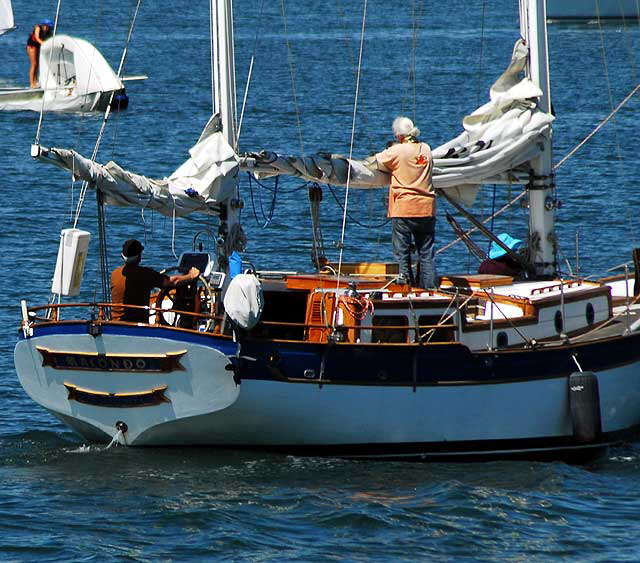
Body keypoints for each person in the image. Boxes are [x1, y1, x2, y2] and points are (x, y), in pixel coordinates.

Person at [370, 116, 437, 288]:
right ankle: (429, 289)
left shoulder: (397, 151)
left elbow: (375, 161)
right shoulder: (426, 149)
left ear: (398, 136)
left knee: (401, 253)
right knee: (426, 253)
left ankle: (404, 287)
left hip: (404, 208)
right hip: (426, 208)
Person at [110, 239, 200, 323]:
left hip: (115, 323)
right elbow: (172, 282)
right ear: (139, 256)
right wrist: (191, 275)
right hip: (137, 324)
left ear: (122, 255)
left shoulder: (114, 274)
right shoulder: (145, 273)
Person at [26, 19, 53, 88]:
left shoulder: (49, 32)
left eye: (48, 27)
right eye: (46, 26)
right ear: (43, 25)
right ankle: (32, 84)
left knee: (37, 65)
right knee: (34, 64)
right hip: (32, 46)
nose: (46, 28)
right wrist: (44, 44)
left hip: (38, 47)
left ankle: (35, 82)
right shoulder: (38, 28)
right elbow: (37, 38)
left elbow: (51, 39)